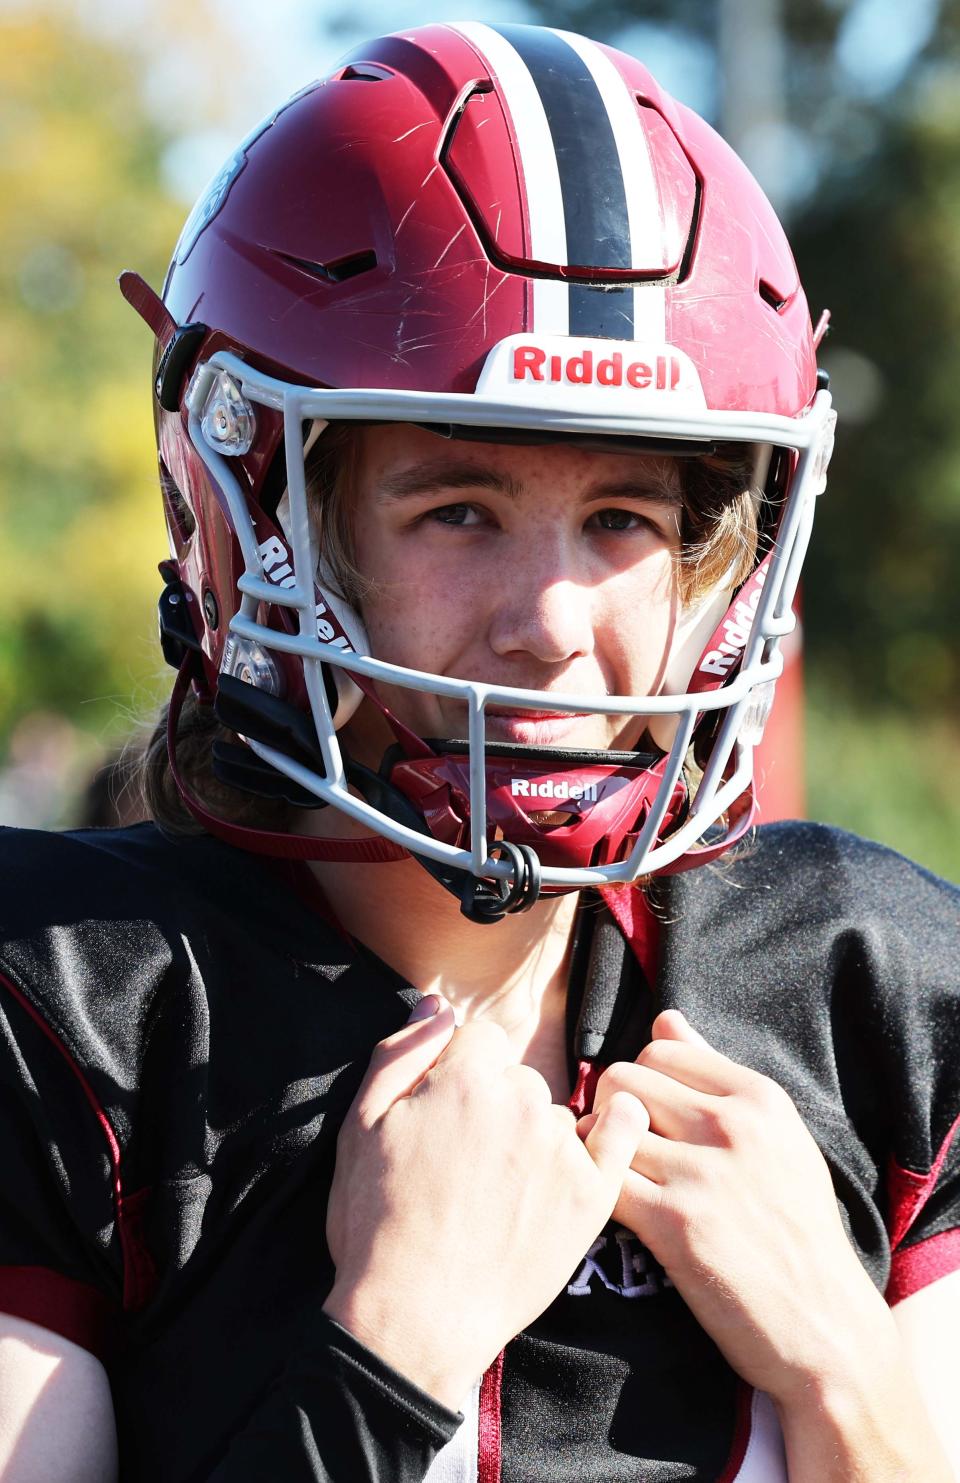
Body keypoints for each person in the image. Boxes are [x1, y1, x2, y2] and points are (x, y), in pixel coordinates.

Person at [0, 20, 958, 1482]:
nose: (552, 624)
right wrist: (388, 1353)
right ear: (256, 519)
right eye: (457, 508)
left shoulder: (870, 987)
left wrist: (852, 1380)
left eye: (624, 521)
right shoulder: (65, 1013)